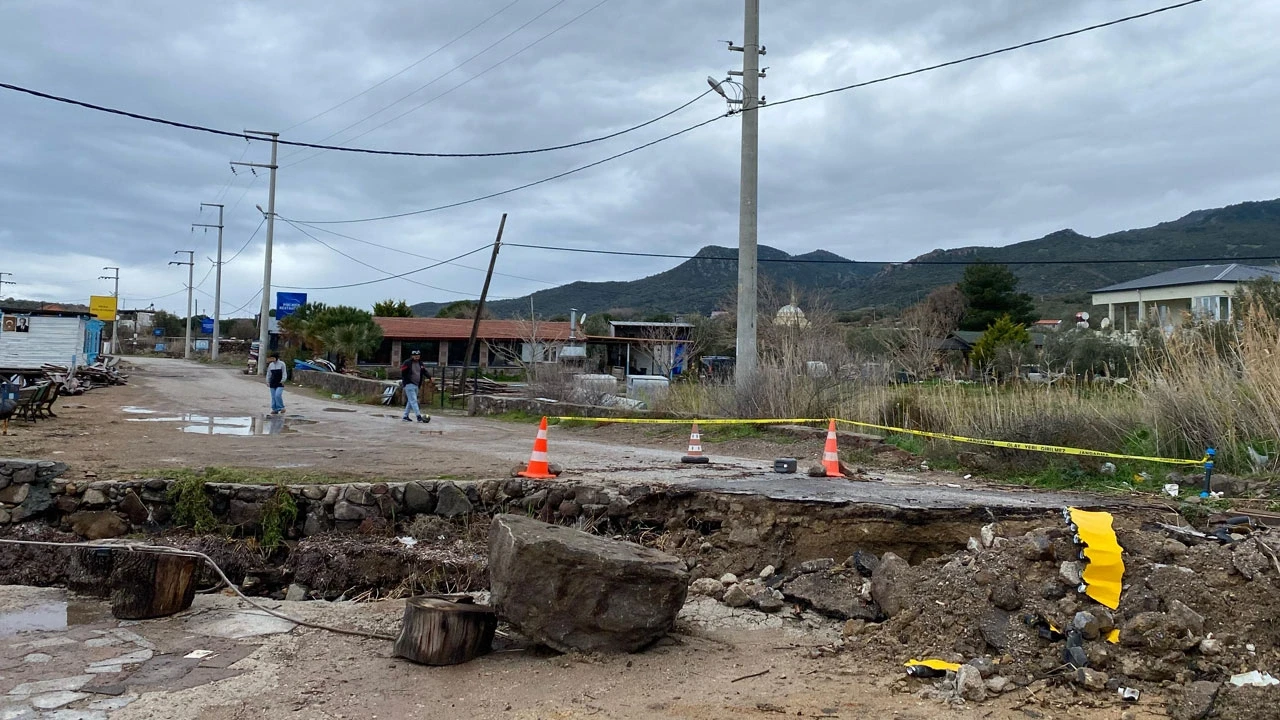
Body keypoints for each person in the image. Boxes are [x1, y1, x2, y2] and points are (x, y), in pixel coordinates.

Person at [399, 349, 432, 423]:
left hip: (416, 384)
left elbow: (424, 371)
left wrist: (430, 377)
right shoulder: (407, 362)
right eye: (415, 356)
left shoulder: (420, 363)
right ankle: (418, 417)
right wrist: (406, 381)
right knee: (414, 400)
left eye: (418, 356)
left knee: (410, 401)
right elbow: (403, 372)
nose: (417, 358)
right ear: (412, 356)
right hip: (409, 384)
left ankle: (405, 416)